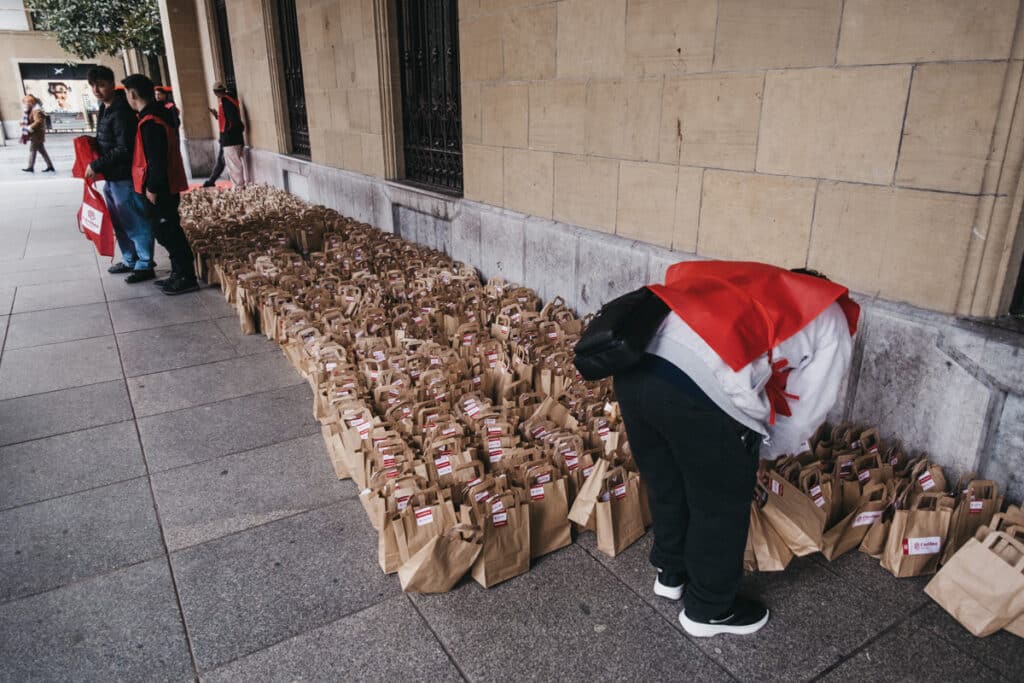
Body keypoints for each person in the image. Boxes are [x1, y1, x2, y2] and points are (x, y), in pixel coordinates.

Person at [612, 261, 860, 638]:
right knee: (719, 502)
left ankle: (671, 572)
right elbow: (808, 409)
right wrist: (759, 456)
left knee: (667, 482)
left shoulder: (751, 288)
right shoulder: (830, 316)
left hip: (636, 370)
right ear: (823, 289)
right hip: (700, 392)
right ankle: (708, 610)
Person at [121, 73, 200, 295]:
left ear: (133, 93)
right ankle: (178, 273)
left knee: (168, 232)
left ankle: (186, 276)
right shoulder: (158, 114)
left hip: (161, 187)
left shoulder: (151, 121)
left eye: (127, 93)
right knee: (167, 230)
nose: (127, 97)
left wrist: (153, 187)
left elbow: (157, 159)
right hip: (166, 184)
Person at [86, 66, 155, 282]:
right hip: (111, 176)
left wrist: (97, 164)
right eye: (93, 85)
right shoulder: (105, 108)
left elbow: (124, 148)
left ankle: (145, 264)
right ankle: (130, 259)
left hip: (124, 176)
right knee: (120, 221)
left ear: (111, 83)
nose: (97, 90)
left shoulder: (122, 111)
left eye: (102, 84)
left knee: (135, 220)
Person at [204, 81, 246, 187]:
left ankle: (238, 188)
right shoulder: (231, 99)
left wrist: (226, 135)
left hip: (229, 139)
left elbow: (232, 121)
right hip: (235, 137)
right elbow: (228, 119)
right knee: (233, 163)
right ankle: (236, 186)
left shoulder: (225, 101)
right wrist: (217, 115)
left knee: (234, 165)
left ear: (215, 92)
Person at [20, 95, 55, 173]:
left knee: (32, 150)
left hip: (37, 134)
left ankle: (30, 167)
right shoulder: (33, 109)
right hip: (36, 134)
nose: (25, 104)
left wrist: (29, 127)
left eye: (26, 102)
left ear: (31, 102)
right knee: (42, 151)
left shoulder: (36, 110)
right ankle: (50, 166)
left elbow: (38, 121)